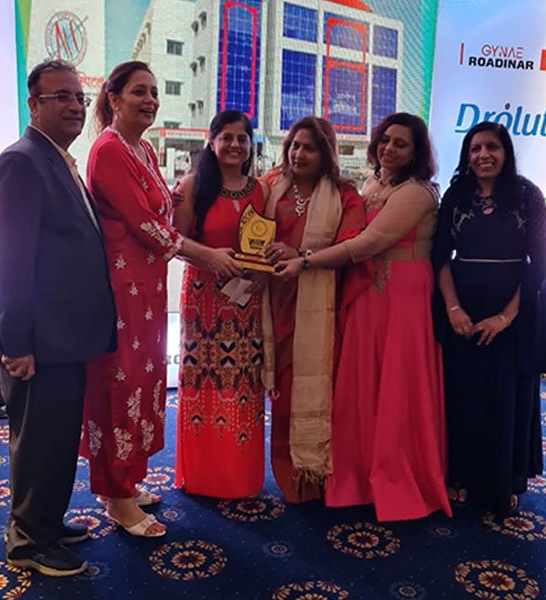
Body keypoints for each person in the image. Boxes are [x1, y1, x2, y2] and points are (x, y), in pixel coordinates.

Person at [80, 62, 240, 537]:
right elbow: (147, 226)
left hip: (147, 288)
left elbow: (161, 207)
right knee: (120, 387)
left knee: (142, 382)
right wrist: (206, 255)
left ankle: (123, 483)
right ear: (113, 99)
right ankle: (117, 498)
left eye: (153, 92)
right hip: (120, 288)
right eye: (139, 92)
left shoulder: (143, 148)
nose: (150, 100)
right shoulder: (109, 150)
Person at [276, 113, 451, 521]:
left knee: (397, 387)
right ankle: (357, 473)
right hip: (366, 293)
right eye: (385, 140)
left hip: (403, 298)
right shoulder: (373, 184)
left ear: (416, 152)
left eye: (400, 144)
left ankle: (394, 476)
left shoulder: (417, 192)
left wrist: (305, 261)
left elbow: (368, 243)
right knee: (360, 383)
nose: (389, 148)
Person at [0, 60, 116, 576]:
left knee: (56, 440)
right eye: (60, 97)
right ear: (33, 105)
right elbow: (7, 262)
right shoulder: (20, 162)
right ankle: (28, 542)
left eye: (78, 98)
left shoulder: (56, 160)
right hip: (37, 341)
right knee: (39, 442)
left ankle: (45, 522)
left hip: (64, 338)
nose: (74, 106)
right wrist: (15, 343)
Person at [431, 121, 546, 517]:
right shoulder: (456, 195)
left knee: (506, 398)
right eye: (475, 148)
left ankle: (504, 482)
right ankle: (461, 476)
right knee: (461, 395)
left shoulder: (527, 195)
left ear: (506, 153)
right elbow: (439, 256)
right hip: (462, 308)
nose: (483, 155)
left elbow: (540, 262)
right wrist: (453, 308)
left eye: (492, 147)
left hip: (512, 311)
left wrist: (505, 317)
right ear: (467, 156)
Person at [260, 117, 365, 503]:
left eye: (309, 147)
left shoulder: (344, 194)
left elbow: (351, 247)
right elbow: (239, 212)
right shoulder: (272, 185)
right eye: (294, 145)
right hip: (275, 301)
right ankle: (289, 474)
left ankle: (317, 474)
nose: (298, 154)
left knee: (314, 387)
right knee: (281, 391)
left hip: (320, 307)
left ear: (326, 153)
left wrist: (301, 255)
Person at [173, 110, 269, 498]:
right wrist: (210, 258)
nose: (234, 145)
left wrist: (262, 272)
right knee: (203, 386)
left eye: (241, 138)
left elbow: (265, 244)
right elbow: (175, 241)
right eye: (226, 137)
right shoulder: (192, 186)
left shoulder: (261, 190)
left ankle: (239, 476)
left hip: (246, 304)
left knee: (243, 385)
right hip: (204, 302)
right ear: (211, 143)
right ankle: (203, 475)